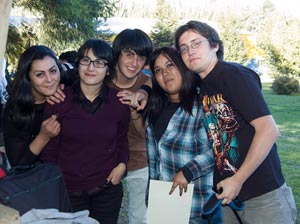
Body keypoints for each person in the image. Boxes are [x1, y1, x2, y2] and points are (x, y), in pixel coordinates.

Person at [174, 20, 297, 224]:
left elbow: (268, 130)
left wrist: (238, 180)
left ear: (215, 45)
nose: (190, 51)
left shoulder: (234, 75)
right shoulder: (205, 86)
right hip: (229, 196)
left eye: (197, 43)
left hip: (262, 195)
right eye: (184, 48)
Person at [40, 38, 130, 224]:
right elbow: (49, 153)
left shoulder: (119, 103)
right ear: (78, 64)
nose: (91, 67)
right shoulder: (59, 101)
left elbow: (122, 140)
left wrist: (122, 164)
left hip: (107, 190)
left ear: (108, 70)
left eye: (99, 62)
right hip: (68, 192)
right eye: (86, 60)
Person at [143, 46, 221, 224]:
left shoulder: (203, 105)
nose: (165, 73)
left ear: (183, 67)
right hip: (164, 205)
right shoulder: (154, 110)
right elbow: (154, 161)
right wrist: (152, 196)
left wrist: (188, 170)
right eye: (158, 70)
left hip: (196, 207)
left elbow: (219, 149)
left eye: (170, 65)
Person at [110, 28, 153, 224]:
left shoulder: (150, 85)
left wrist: (134, 109)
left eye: (141, 57)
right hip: (105, 159)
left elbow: (144, 134)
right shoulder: (101, 81)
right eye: (129, 54)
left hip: (140, 160)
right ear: (117, 54)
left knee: (139, 217)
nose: (135, 63)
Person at [3, 45, 62, 167]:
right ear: (27, 77)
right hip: (39, 178)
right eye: (40, 74)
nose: (49, 79)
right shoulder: (17, 107)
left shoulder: (66, 89)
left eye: (53, 71)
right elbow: (18, 163)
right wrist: (43, 136)